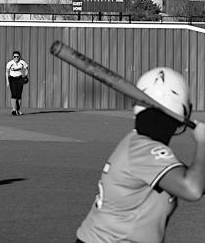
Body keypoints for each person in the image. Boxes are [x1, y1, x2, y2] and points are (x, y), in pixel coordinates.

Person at [76, 67, 205, 243]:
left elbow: (196, 178)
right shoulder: (143, 150)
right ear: (185, 111)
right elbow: (192, 189)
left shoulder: (146, 150)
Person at [6, 51, 28, 116]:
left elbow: (27, 68)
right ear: (13, 57)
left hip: (19, 79)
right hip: (12, 79)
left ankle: (18, 110)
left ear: (19, 57)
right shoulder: (10, 63)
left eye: (17, 56)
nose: (16, 57)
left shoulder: (22, 62)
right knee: (14, 94)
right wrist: (7, 81)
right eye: (14, 56)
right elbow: (7, 72)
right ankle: (13, 109)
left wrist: (26, 76)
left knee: (19, 95)